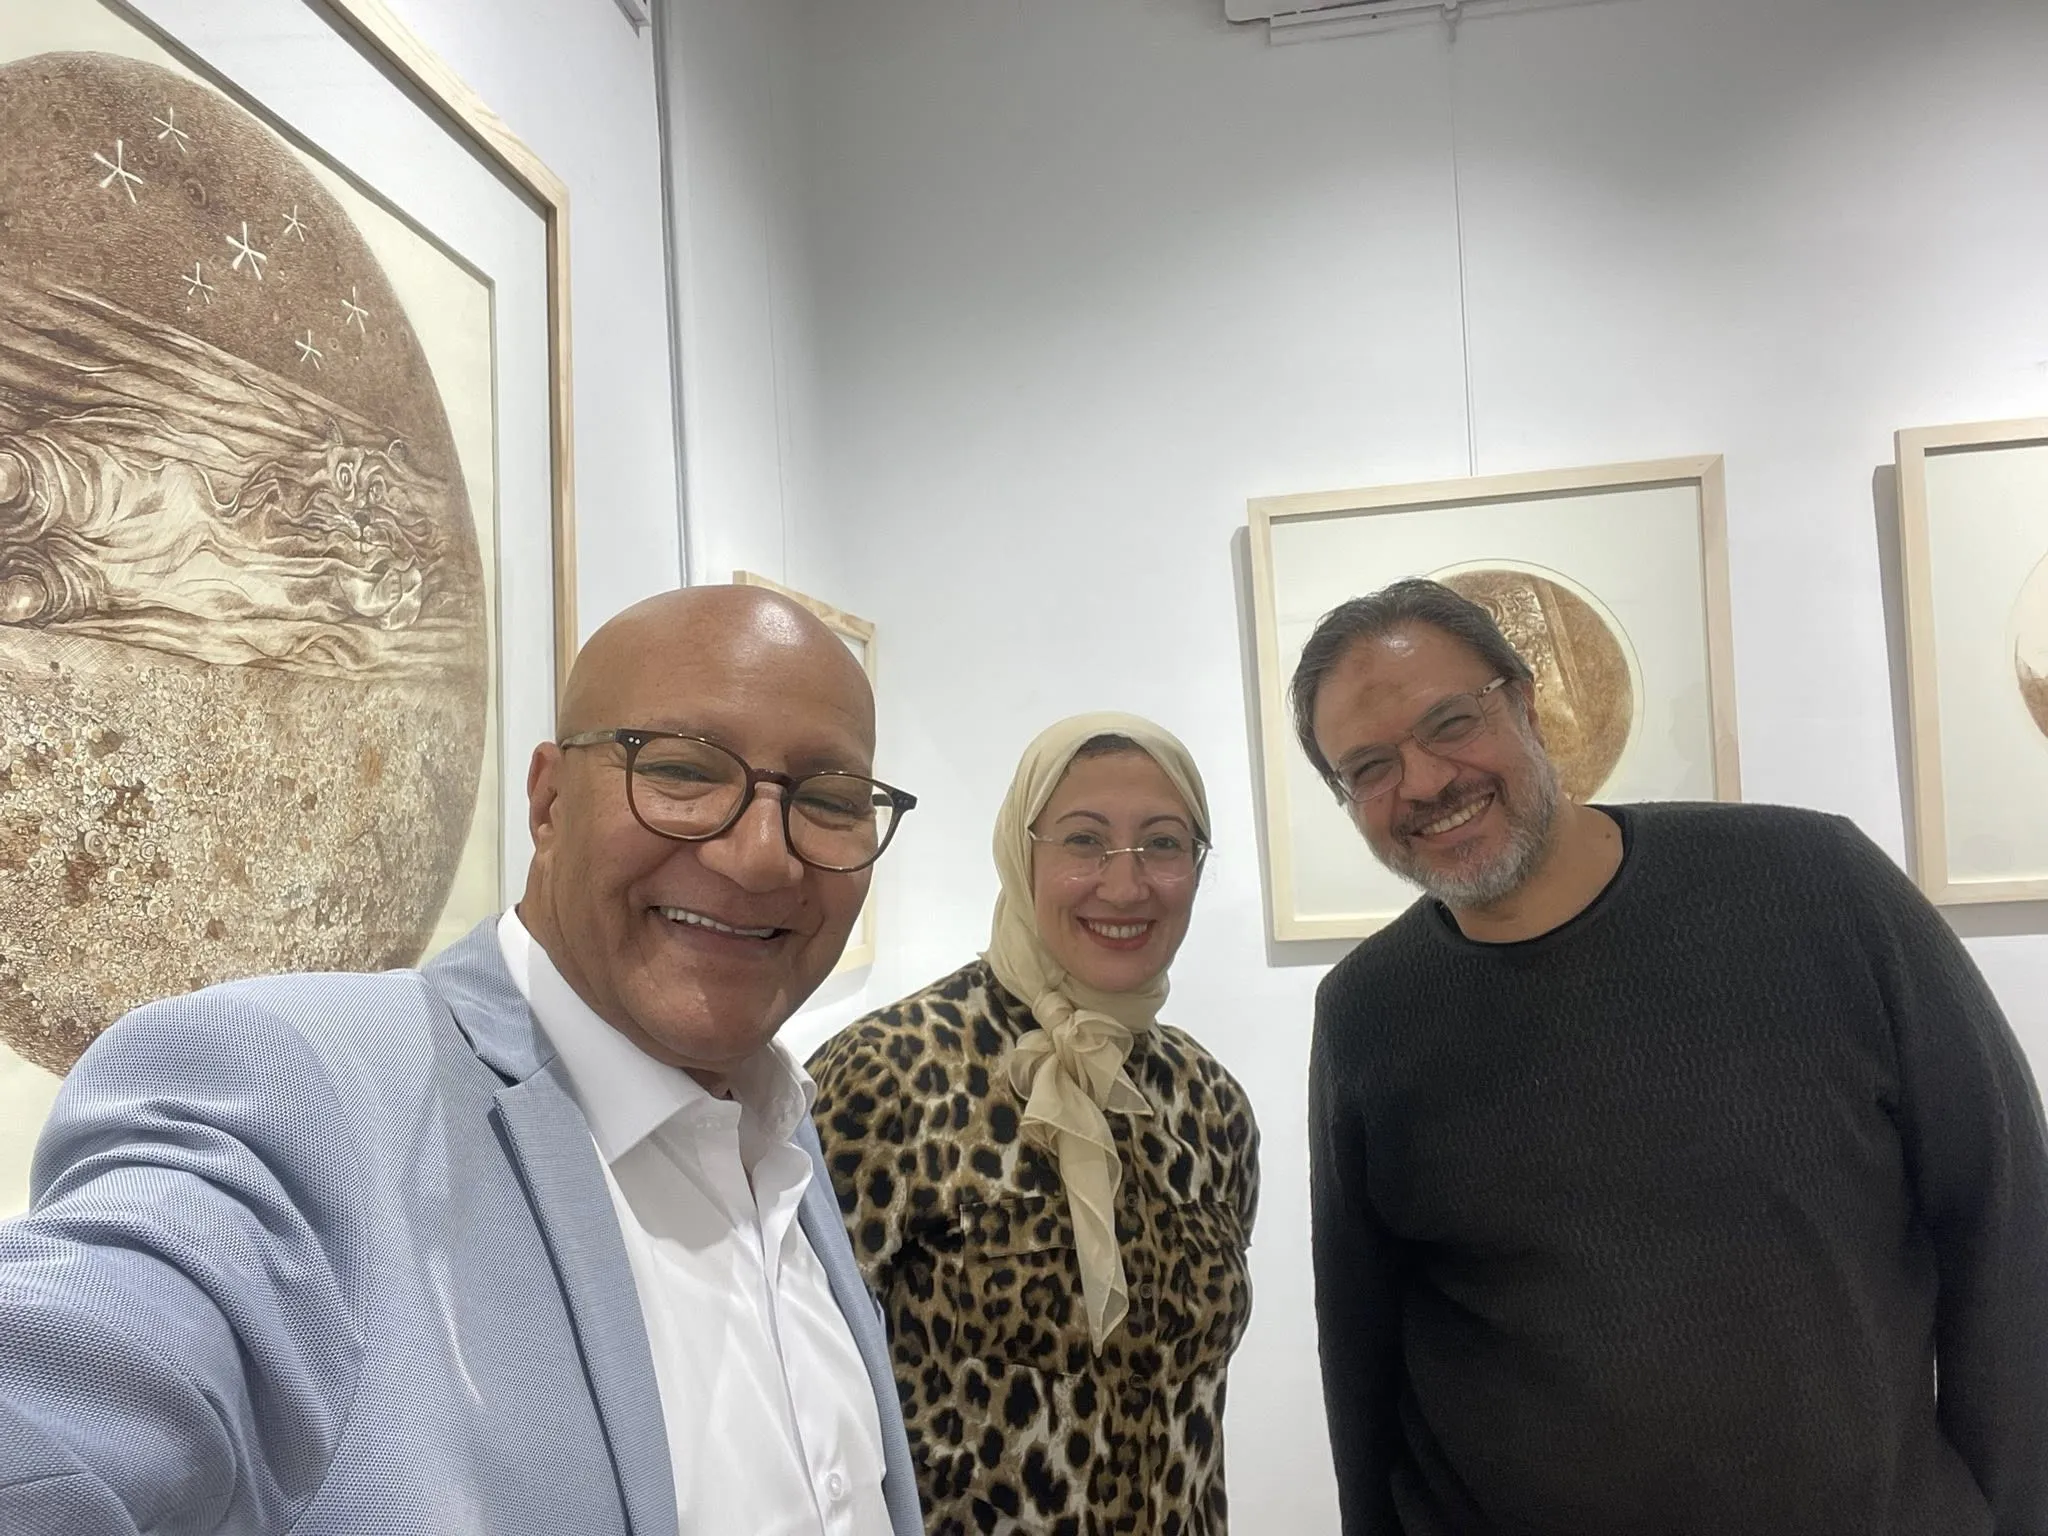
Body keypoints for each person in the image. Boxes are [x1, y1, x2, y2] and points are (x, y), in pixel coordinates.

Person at [0, 585, 927, 1536]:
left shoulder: (775, 1118)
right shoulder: (290, 1095)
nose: (762, 858)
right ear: (550, 803)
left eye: (829, 799)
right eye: (683, 770)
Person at [1295, 577, 2048, 1536]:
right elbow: (1361, 1350)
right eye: (1368, 767)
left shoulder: (1816, 885)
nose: (1425, 782)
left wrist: (2007, 1511)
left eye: (1450, 722)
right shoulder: (1367, 1013)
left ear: (1526, 703)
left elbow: (2004, 1211)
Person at [809, 714, 1259, 1536]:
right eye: (1084, 840)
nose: (1125, 885)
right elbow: (802, 1397)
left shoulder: (1210, 1104)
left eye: (1163, 844)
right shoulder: (889, 1074)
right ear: (1021, 855)